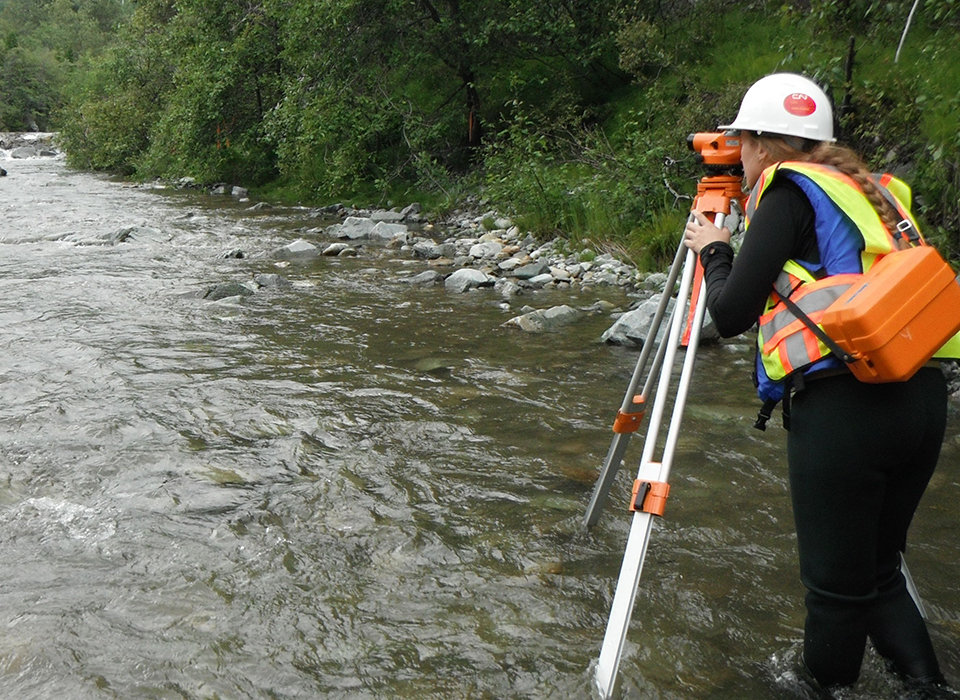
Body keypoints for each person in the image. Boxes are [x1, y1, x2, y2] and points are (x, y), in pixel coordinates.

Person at [682, 72, 959, 697]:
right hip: (918, 397)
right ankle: (929, 687)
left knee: (835, 592)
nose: (741, 157)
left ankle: (822, 687)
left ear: (758, 144)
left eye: (742, 143)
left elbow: (728, 315)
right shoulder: (874, 190)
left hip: (846, 412)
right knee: (879, 571)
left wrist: (716, 247)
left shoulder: (788, 192)